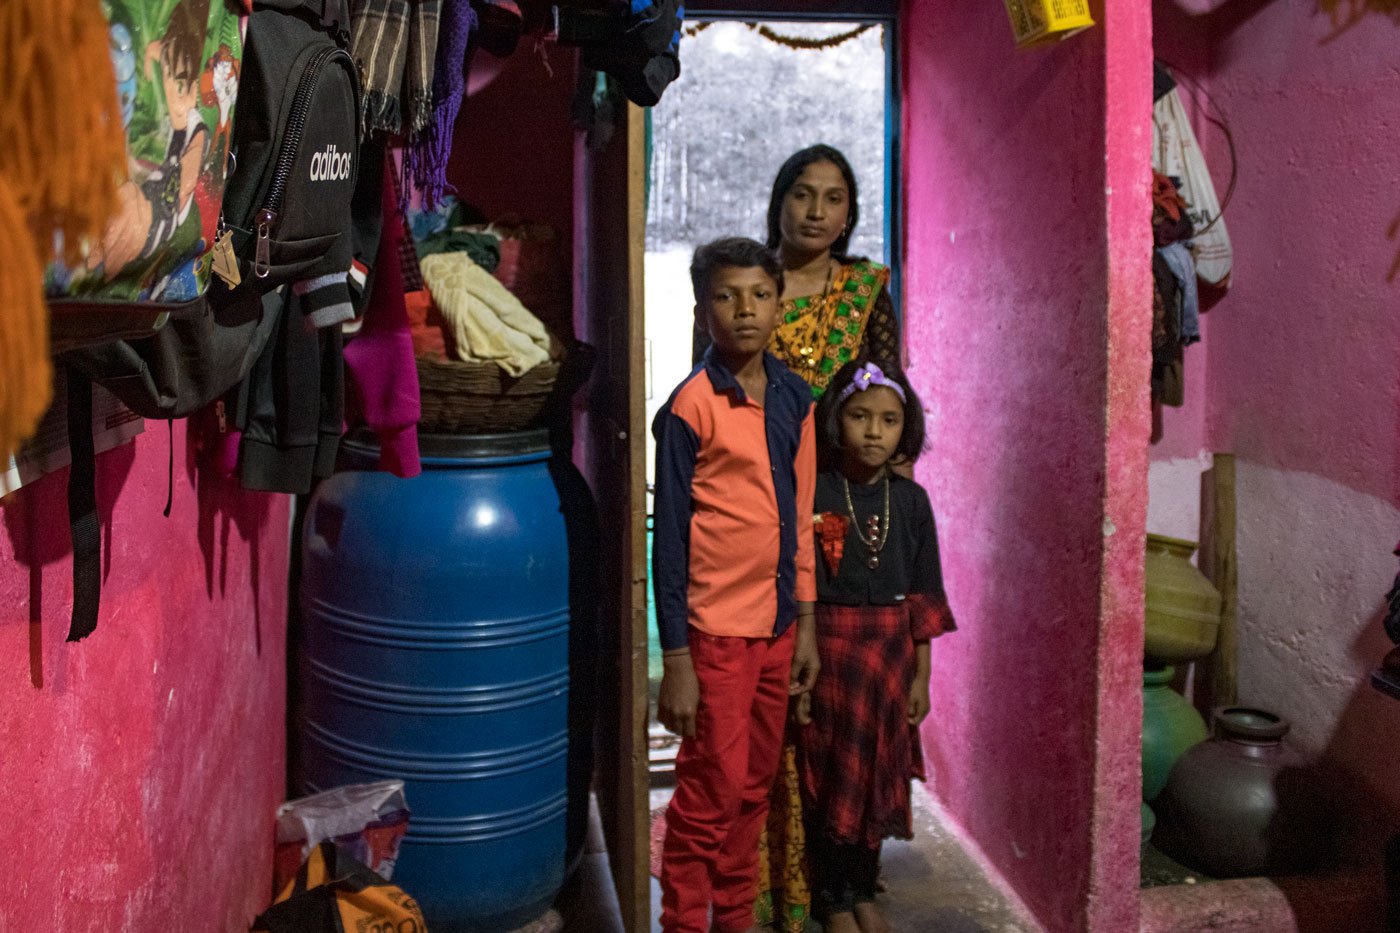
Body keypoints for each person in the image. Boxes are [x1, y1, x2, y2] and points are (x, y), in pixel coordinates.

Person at [653, 237, 822, 933]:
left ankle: (735, 922)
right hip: (715, 634)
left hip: (778, 628)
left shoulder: (794, 397)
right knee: (707, 795)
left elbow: (801, 516)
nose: (744, 310)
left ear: (780, 305)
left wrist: (806, 624)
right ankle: (685, 922)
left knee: (752, 791)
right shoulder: (691, 407)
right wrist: (679, 662)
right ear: (703, 309)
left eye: (759, 294)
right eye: (726, 296)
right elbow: (669, 545)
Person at [801, 360, 955, 933]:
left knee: (874, 777)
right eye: (860, 416)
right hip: (832, 652)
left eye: (889, 420)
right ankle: (833, 896)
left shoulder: (911, 502)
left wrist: (921, 678)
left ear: (904, 428)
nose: (873, 431)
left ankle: (864, 885)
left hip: (890, 655)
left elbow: (925, 595)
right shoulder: (816, 491)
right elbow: (804, 585)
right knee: (832, 775)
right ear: (836, 422)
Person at [694, 144, 900, 401]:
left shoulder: (864, 288)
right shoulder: (736, 285)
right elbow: (702, 383)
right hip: (743, 436)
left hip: (839, 442)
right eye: (802, 195)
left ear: (848, 216)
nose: (816, 213)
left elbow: (888, 392)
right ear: (779, 202)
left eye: (833, 199)